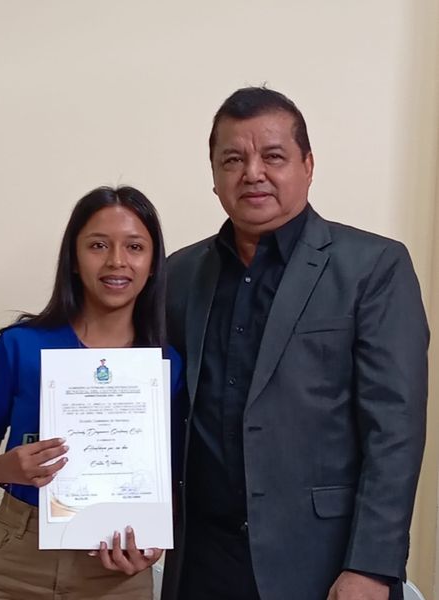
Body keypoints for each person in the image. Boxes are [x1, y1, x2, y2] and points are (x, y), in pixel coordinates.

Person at [160, 88, 429, 600]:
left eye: (273, 156)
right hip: (202, 560)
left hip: (323, 563)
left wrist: (371, 567)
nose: (252, 173)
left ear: (308, 165)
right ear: (214, 176)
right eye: (233, 160)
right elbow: (145, 394)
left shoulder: (374, 267)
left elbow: (394, 431)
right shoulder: (179, 274)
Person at [0, 186, 182, 599]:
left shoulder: (168, 365)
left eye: (135, 247)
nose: (116, 261)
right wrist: (1, 467)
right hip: (16, 557)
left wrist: (154, 541)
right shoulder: (20, 345)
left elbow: (175, 470)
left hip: (117, 567)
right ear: (73, 260)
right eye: (98, 245)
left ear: (153, 264)